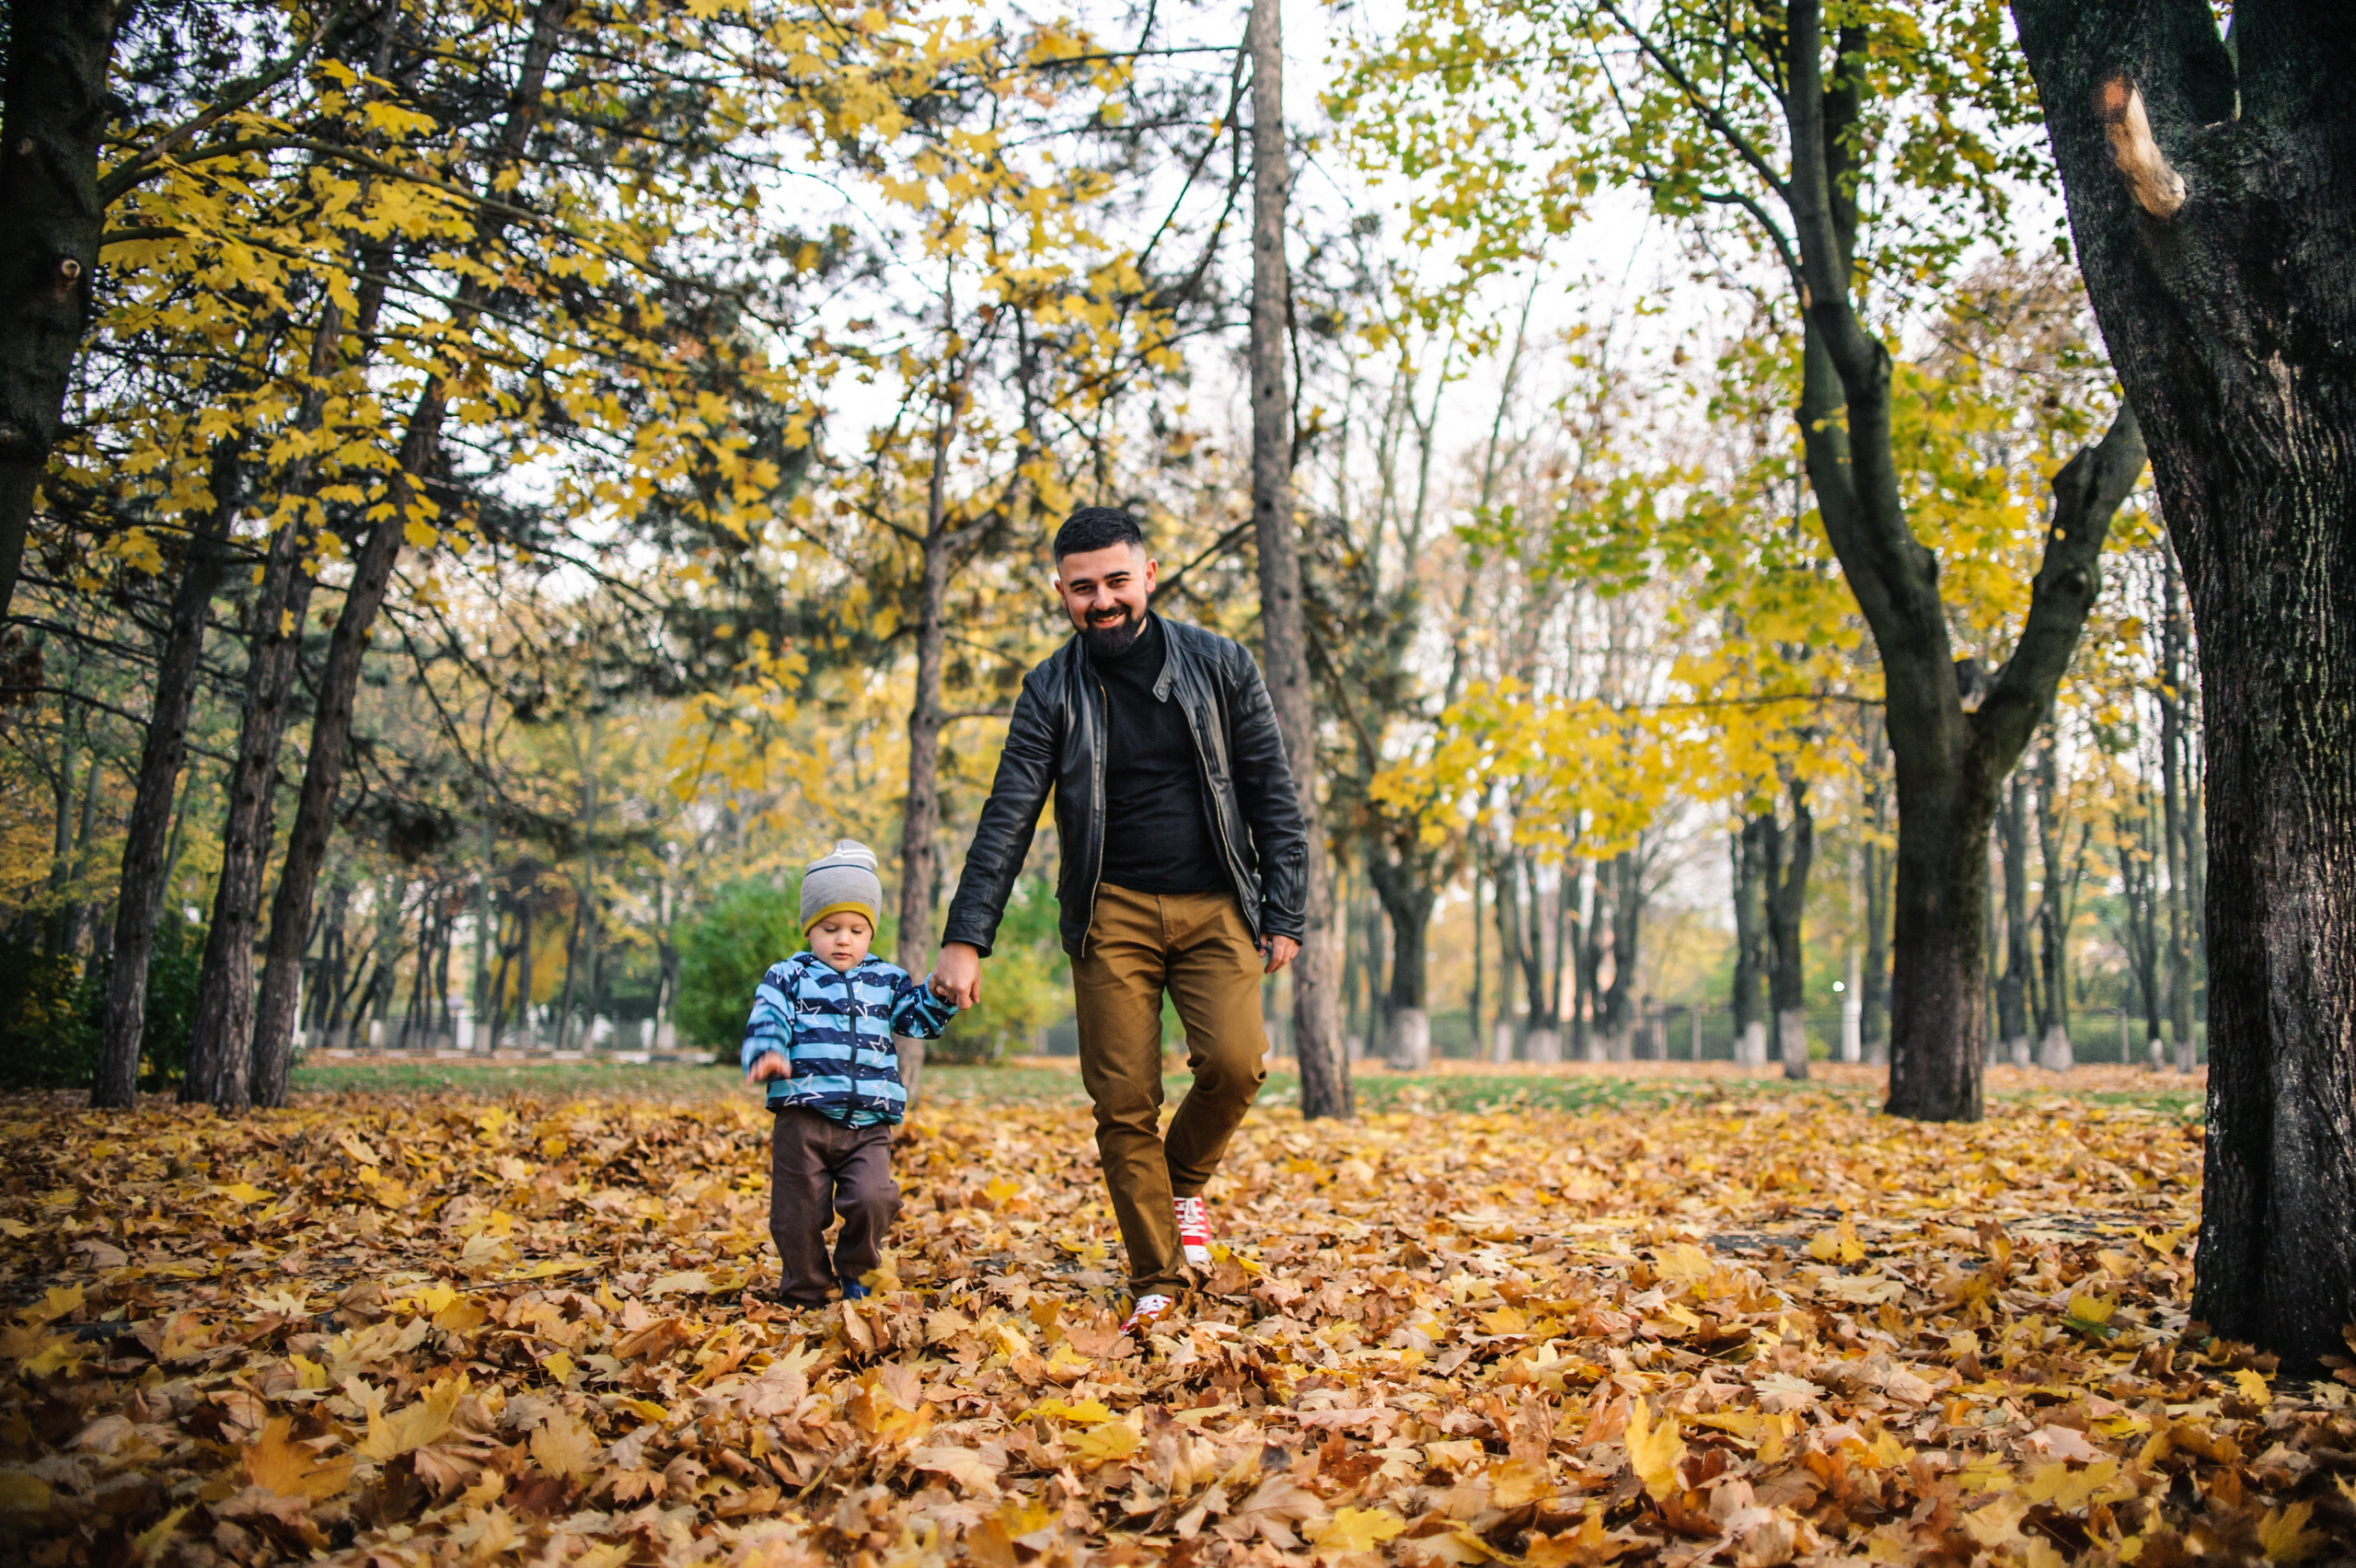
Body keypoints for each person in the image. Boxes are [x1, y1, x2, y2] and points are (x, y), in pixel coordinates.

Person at [931, 506, 1306, 1335]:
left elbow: (1271, 790)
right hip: (1111, 915)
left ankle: (1181, 1185)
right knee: (1123, 1102)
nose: (1101, 601)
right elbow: (1008, 817)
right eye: (1082, 588)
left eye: (1115, 582)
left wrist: (1286, 908)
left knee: (1237, 1064)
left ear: (1148, 576)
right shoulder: (1049, 689)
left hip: (1218, 902)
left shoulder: (1222, 665)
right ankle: (1157, 1278)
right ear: (1060, 592)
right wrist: (966, 938)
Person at [743, 840, 958, 1307]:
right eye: (830, 927)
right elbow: (769, 1015)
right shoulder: (789, 976)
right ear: (809, 929)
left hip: (868, 1124)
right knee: (797, 1213)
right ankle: (805, 1289)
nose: (844, 940)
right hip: (804, 1118)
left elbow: (917, 1020)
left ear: (870, 931)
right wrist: (768, 1049)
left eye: (857, 929)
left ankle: (856, 1268)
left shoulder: (888, 979)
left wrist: (940, 994)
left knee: (875, 1199)